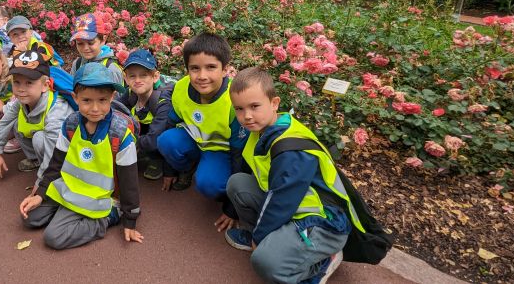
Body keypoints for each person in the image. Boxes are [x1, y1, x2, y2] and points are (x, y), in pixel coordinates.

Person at [225, 67, 363, 283]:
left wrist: (260, 238)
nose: (247, 116)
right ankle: (268, 240)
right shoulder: (262, 129)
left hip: (321, 221)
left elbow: (281, 201)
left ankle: (322, 264)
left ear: (274, 103)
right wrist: (233, 212)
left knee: (264, 263)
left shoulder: (290, 151)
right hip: (293, 207)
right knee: (237, 184)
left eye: (254, 106)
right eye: (239, 109)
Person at [18, 62, 143, 250]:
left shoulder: (120, 134)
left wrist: (130, 219)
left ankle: (107, 218)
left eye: (102, 100)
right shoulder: (70, 124)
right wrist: (41, 193)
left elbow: (129, 180)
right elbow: (56, 163)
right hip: (70, 188)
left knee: (53, 237)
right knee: (29, 218)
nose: (94, 108)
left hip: (99, 196)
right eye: (86, 101)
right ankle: (64, 207)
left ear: (112, 97)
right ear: (75, 98)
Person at [153, 33, 246, 232]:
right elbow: (171, 123)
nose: (202, 76)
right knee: (166, 141)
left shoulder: (234, 101)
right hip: (195, 141)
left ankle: (216, 180)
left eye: (211, 67)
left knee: (208, 184)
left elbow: (240, 156)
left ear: (225, 69)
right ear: (187, 70)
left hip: (223, 152)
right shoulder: (181, 88)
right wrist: (169, 169)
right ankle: (187, 167)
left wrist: (232, 208)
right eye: (195, 68)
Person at [0, 51, 73, 186]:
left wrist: (41, 183)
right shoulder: (22, 100)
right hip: (51, 139)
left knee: (39, 139)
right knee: (16, 122)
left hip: (67, 150)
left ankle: (57, 177)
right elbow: (6, 121)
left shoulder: (56, 109)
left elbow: (54, 151)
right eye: (17, 82)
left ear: (45, 85)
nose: (21, 89)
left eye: (29, 83)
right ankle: (35, 160)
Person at [116, 49, 171, 180]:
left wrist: (131, 145)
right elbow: (115, 109)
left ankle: (158, 159)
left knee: (163, 139)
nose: (137, 80)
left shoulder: (163, 100)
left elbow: (154, 138)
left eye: (144, 75)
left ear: (155, 76)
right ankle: (143, 150)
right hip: (148, 126)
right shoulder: (130, 92)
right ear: (126, 78)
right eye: (132, 76)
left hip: (164, 132)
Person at [68, 13, 123, 86]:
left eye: (91, 43)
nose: (85, 48)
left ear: (103, 40)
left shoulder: (111, 68)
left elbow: (118, 96)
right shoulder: (77, 64)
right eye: (80, 44)